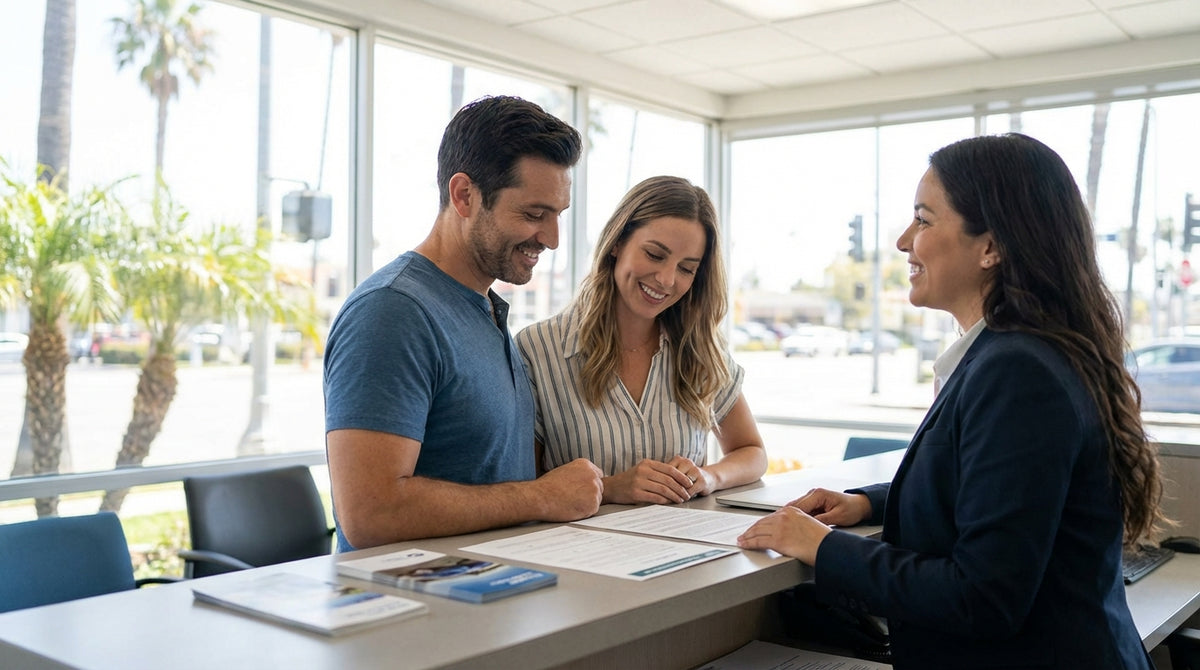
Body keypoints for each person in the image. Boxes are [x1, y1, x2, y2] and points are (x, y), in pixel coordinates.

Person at [737, 134, 1165, 669]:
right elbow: (998, 494)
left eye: (923, 219)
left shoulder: (1017, 369)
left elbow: (982, 597)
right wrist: (871, 503)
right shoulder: (1023, 353)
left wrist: (823, 548)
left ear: (992, 247)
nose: (902, 241)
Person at [323, 95, 603, 552]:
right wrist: (539, 496)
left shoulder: (485, 307)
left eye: (557, 217)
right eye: (534, 215)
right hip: (413, 616)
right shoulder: (392, 312)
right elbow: (370, 513)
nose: (551, 239)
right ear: (464, 195)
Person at [517, 176, 766, 505]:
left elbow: (752, 453)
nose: (666, 280)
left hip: (687, 547)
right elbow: (523, 488)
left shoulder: (700, 348)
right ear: (617, 242)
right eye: (654, 254)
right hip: (582, 552)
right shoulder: (538, 349)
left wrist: (710, 476)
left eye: (686, 268)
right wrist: (609, 488)